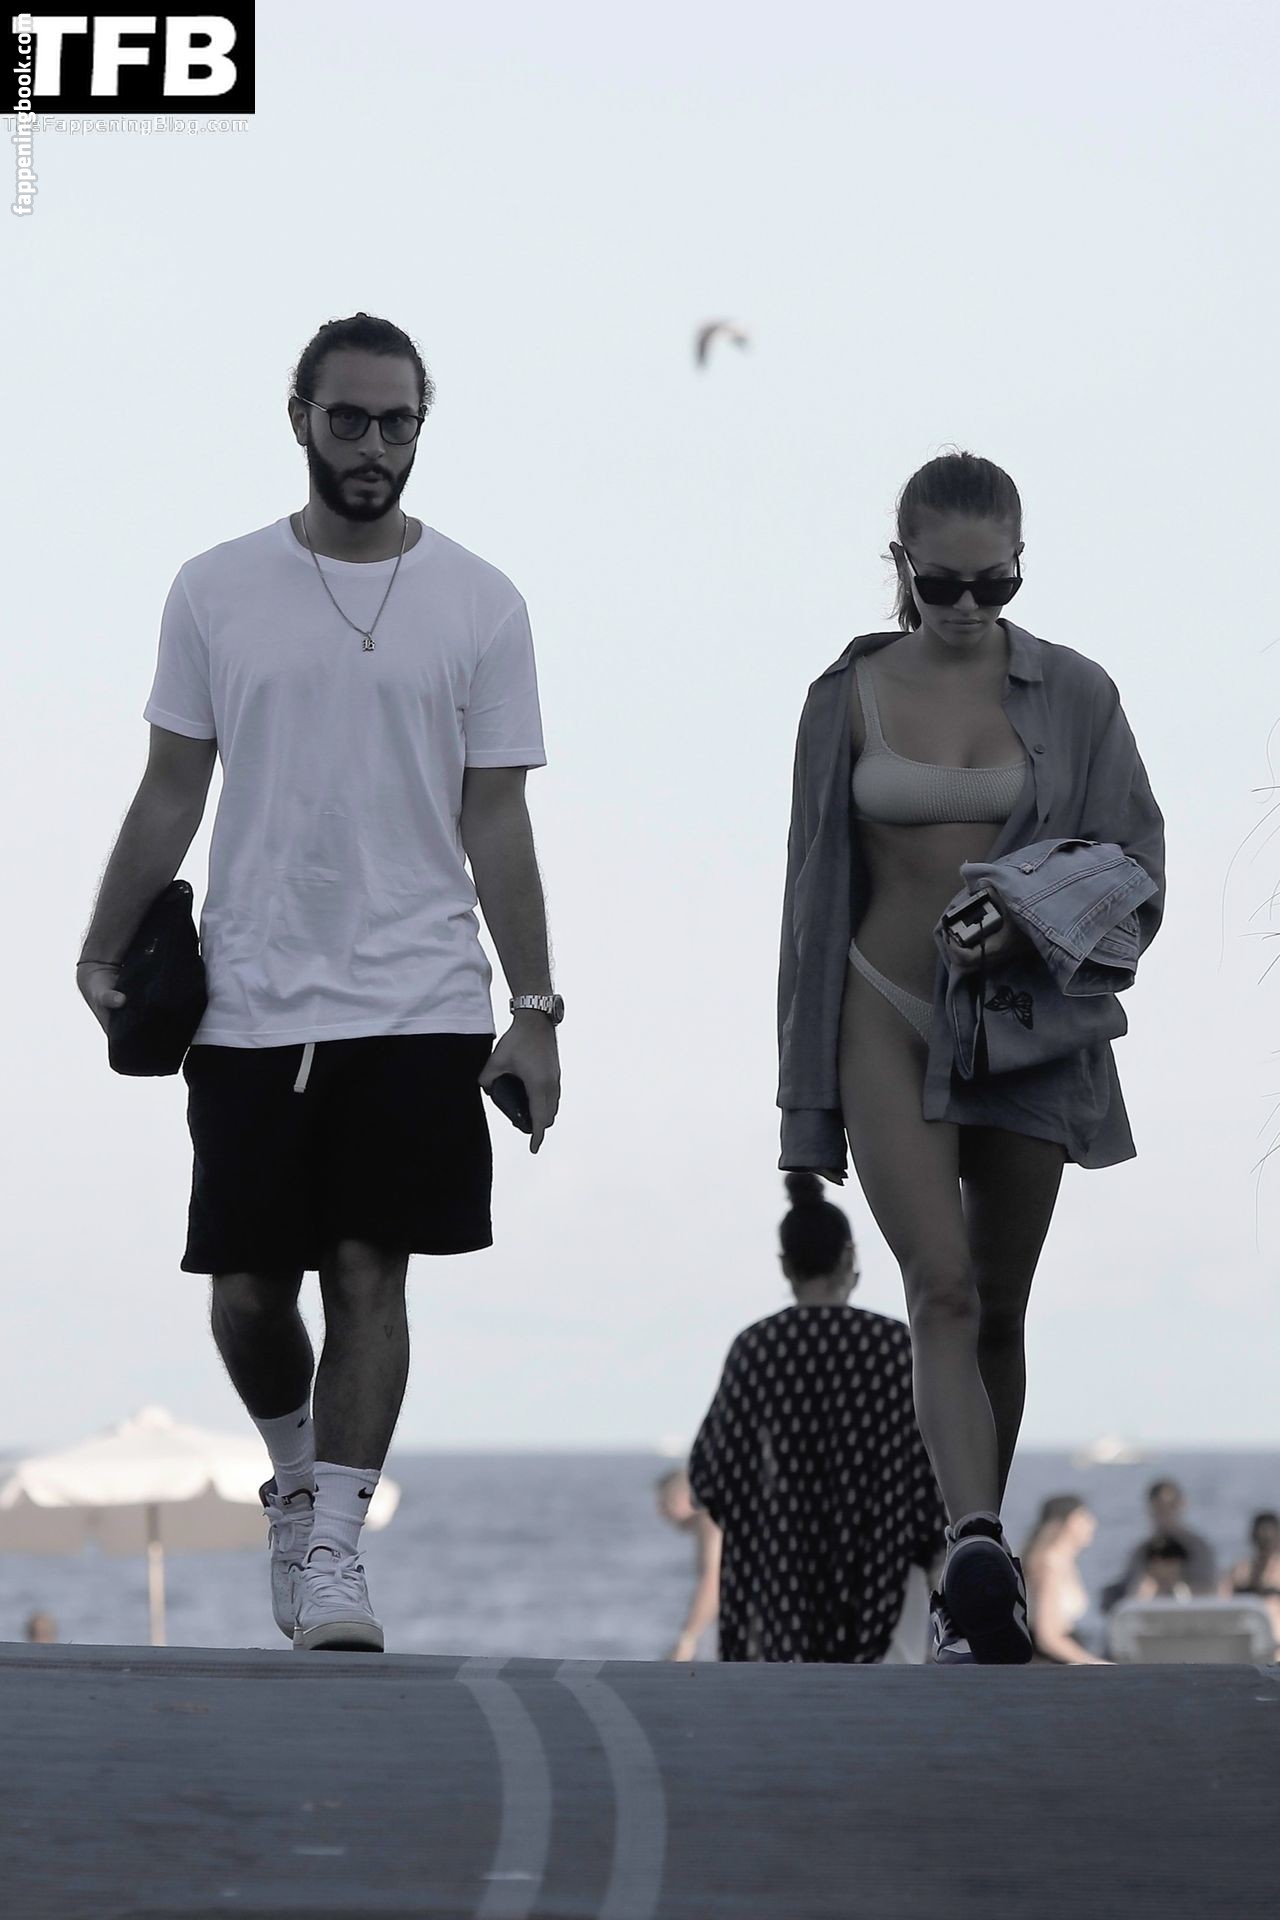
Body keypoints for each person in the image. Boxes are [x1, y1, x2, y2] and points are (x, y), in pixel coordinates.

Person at [76, 312, 562, 1653]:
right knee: (246, 1289)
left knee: (367, 1269)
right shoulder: (215, 590)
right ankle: (293, 1477)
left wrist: (533, 1008)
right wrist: (100, 944)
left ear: (420, 429)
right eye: (349, 419)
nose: (373, 445)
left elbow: (498, 820)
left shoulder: (481, 603)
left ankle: (338, 1548)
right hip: (249, 990)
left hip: (419, 994)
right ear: (301, 419)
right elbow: (171, 789)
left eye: (397, 422)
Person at [775, 449, 1166, 1665]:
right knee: (936, 1286)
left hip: (1022, 1028)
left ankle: (966, 1577)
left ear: (1018, 568)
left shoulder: (1077, 694)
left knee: (996, 1305)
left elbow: (1138, 867)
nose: (963, 607)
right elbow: (807, 899)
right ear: (899, 565)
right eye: (940, 584)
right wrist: (800, 1109)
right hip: (878, 1009)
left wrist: (1028, 916)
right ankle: (974, 1551)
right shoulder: (844, 695)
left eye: (992, 585)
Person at [686, 1173, 947, 1664]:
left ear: (786, 1265)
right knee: (880, 1704)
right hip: (885, 1571)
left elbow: (711, 1475)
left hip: (777, 1582)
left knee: (785, 1706)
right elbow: (929, 1467)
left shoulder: (756, 1348)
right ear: (849, 1258)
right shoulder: (895, 1346)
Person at [1098, 1478, 1218, 1612]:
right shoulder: (1141, 1551)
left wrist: (1175, 1592)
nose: (1165, 1513)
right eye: (1159, 1508)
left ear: (1182, 1505)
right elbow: (1123, 1589)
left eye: (1170, 1506)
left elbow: (1210, 1590)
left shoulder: (1198, 1549)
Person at [1018, 1494, 1110, 1667]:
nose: (1092, 1524)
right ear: (1068, 1522)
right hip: (1051, 1666)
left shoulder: (1063, 1563)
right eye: (1084, 1517)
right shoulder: (1048, 1566)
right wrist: (1094, 1663)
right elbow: (1048, 1636)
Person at [655, 1467, 722, 1661]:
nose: (662, 1512)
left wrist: (687, 1639)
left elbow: (713, 1579)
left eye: (666, 1502)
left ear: (689, 1497)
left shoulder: (708, 1520)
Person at [1222, 1510, 1280, 1655]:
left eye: (1269, 1537)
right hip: (1244, 1645)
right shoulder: (1240, 1570)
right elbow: (1223, 1601)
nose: (1265, 1541)